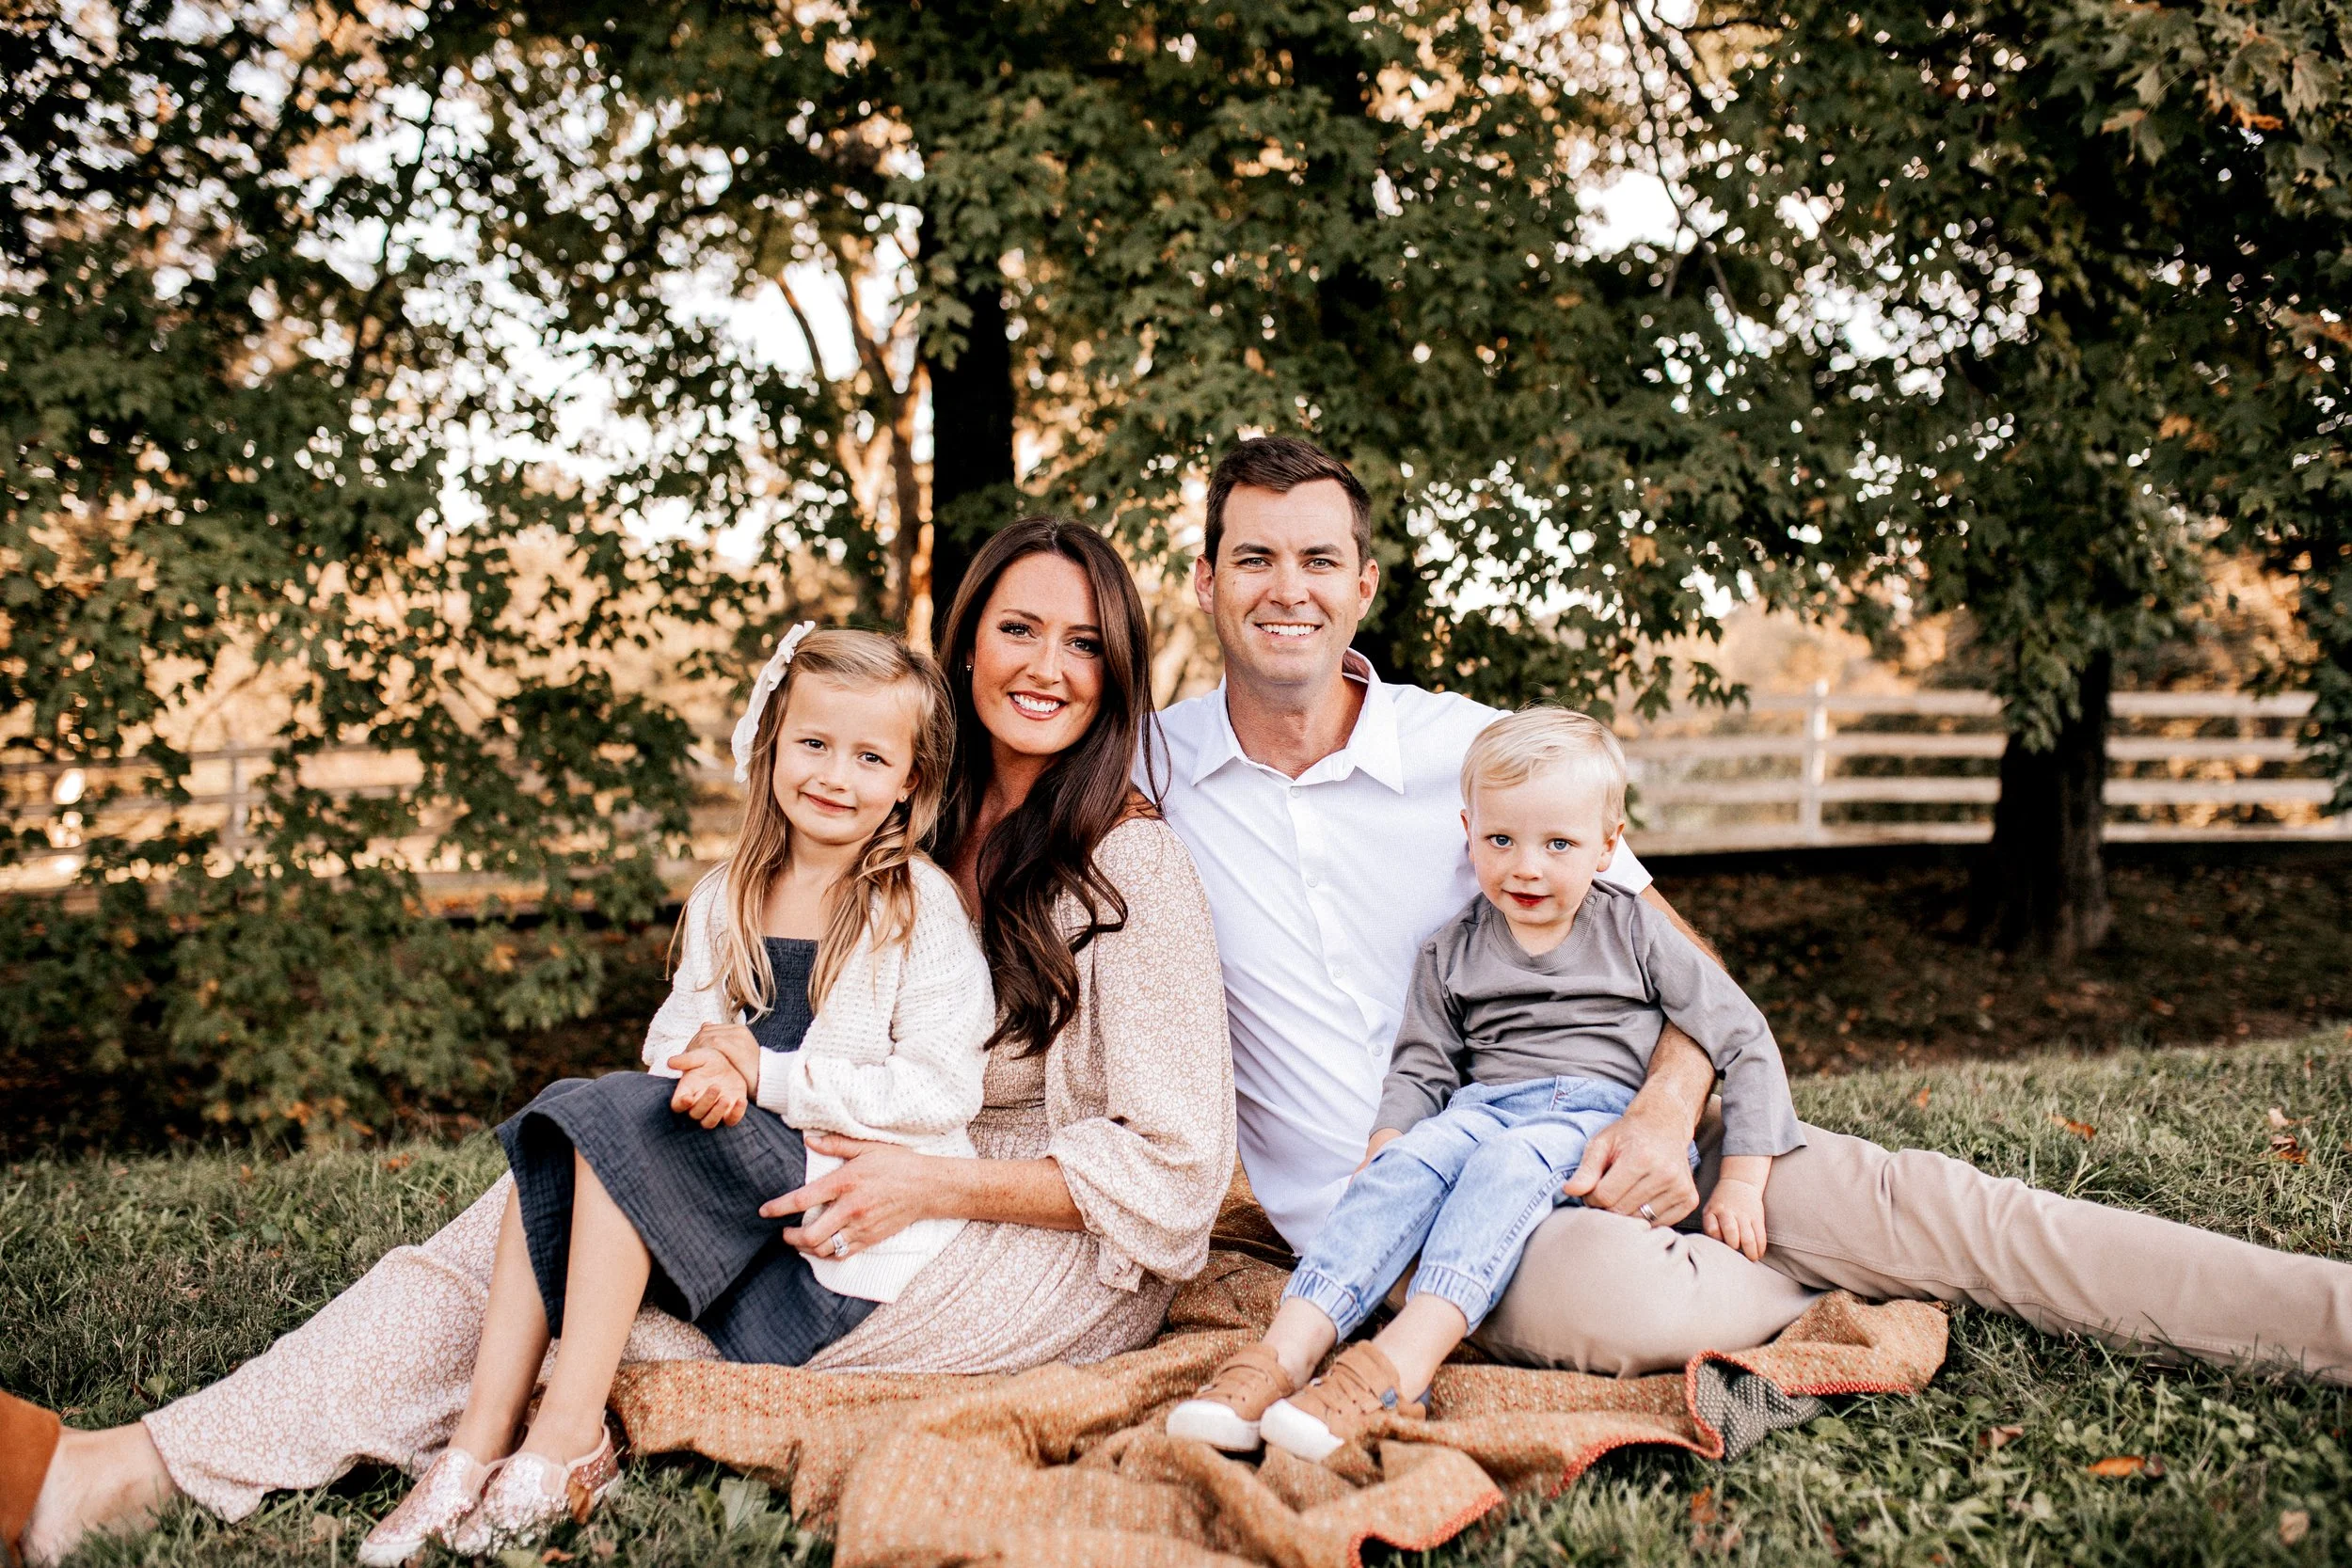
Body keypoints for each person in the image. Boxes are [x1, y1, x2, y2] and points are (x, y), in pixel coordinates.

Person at [19, 517, 1234, 1566]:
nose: (1047, 666)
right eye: (1019, 628)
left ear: (1118, 672)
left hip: (1011, 1245)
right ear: (965, 643)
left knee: (579, 1266)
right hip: (826, 1152)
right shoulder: (904, 801)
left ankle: (469, 1445)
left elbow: (1178, 1170)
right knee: (537, 1201)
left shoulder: (1129, 864)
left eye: (1085, 643)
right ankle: (142, 1462)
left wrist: (931, 1179)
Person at [1152, 434, 2352, 1387]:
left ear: (1362, 583)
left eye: (1318, 559)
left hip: (1618, 1120)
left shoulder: (1471, 751)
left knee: (1942, 1205)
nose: (1288, 589)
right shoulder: (1147, 780)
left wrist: (1666, 1111)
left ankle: (2327, 1319)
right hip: (1421, 1218)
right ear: (1205, 580)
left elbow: (1678, 954)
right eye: (1254, 558)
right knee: (1620, 1297)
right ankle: (1841, 1286)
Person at [354, 626, 996, 1561]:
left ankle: (564, 1438)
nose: (835, 775)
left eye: (870, 756)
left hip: (827, 1238)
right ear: (771, 745)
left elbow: (941, 1088)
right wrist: (704, 1073)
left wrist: (762, 1073)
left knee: (602, 1116)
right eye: (814, 743)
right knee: (578, 1123)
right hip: (727, 1194)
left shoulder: (915, 908)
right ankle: (473, 1447)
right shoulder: (725, 895)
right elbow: (672, 1038)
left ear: (910, 780)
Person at [1168, 706, 1803, 1457]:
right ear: (1467, 833)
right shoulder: (1453, 948)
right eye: (1501, 840)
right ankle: (1284, 1351)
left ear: (1607, 846)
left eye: (1558, 844)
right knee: (1404, 1166)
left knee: (1505, 1164)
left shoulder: (1633, 929)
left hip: (1592, 1112)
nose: (1526, 866)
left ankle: (1401, 1362)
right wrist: (1389, 1138)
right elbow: (1422, 1063)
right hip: (1483, 1108)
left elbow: (1742, 1032)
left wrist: (1743, 1181)